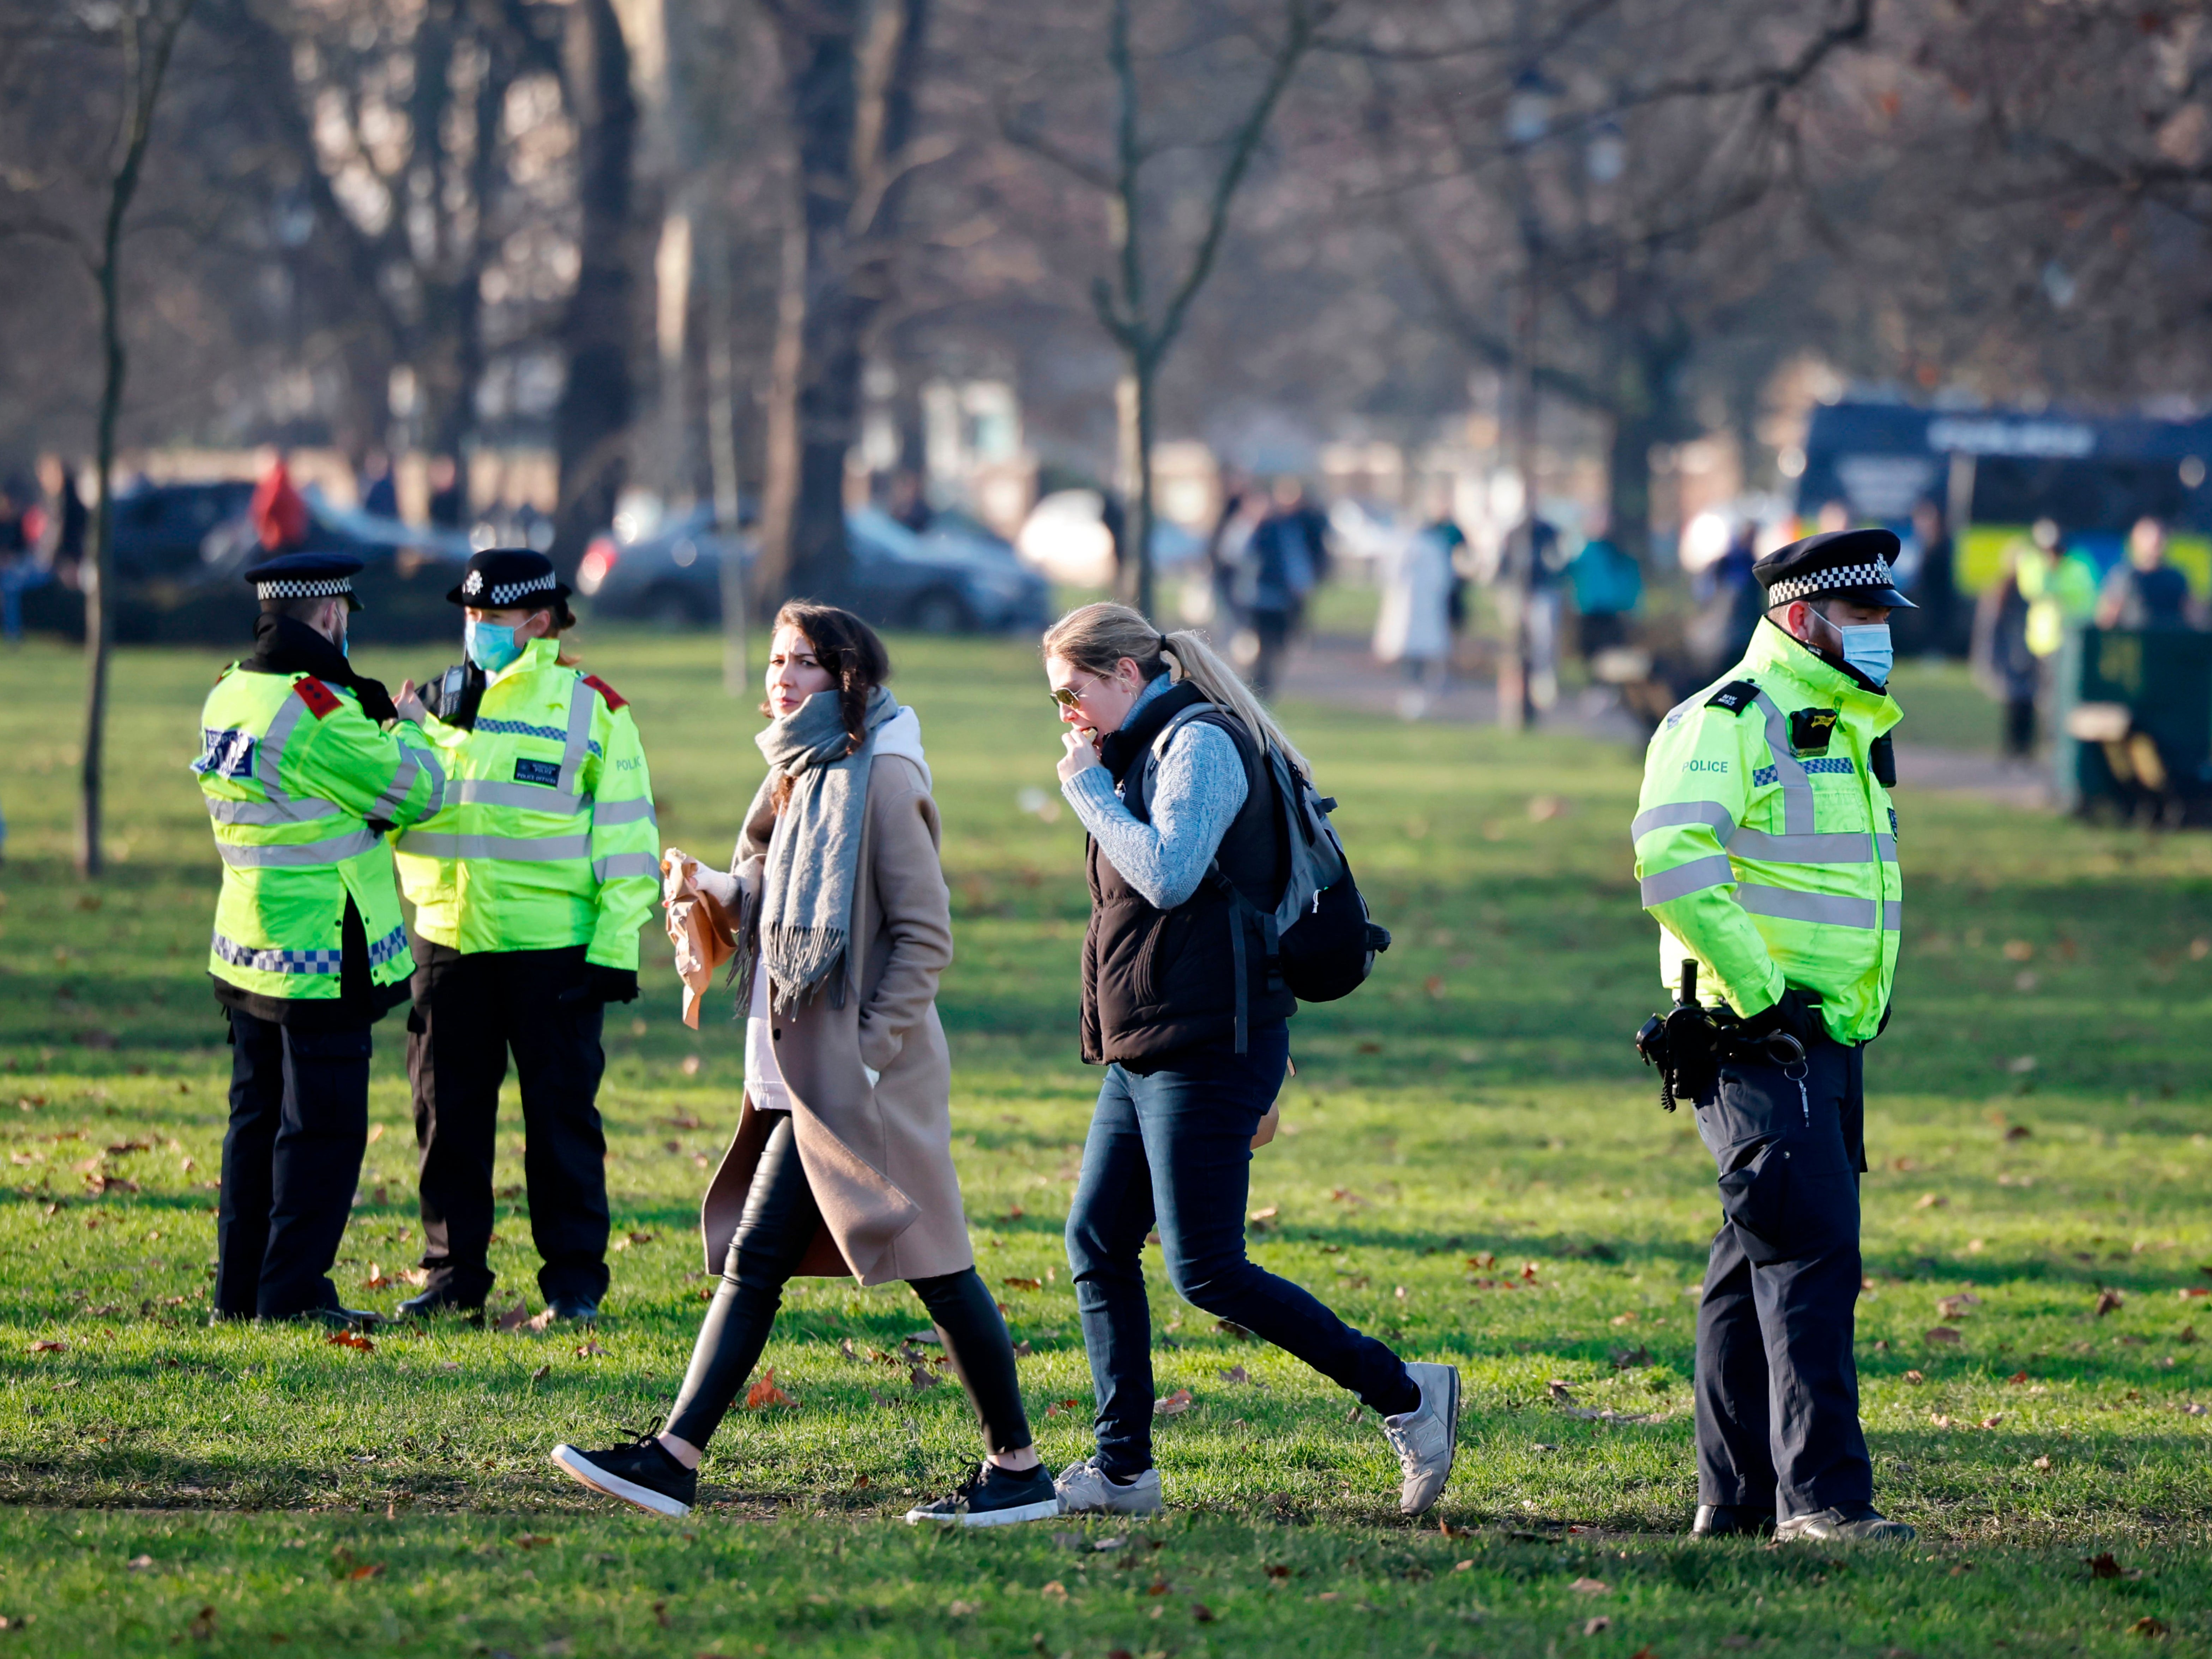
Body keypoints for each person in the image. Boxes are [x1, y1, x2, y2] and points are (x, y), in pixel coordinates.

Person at [552, 604, 1059, 1526]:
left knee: (914, 1264)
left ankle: (678, 1457)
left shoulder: (882, 774)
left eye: (807, 665)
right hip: (803, 1063)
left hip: (863, 1077)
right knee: (866, 1263)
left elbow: (923, 936)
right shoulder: (798, 770)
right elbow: (778, 899)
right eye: (779, 659)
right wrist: (717, 888)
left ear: (849, 681)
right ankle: (1012, 1467)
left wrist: (863, 1060)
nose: (783, 677)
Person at [1041, 602, 1459, 1519]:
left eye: (1073, 694)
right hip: (1146, 1041)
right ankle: (1123, 1469)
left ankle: (1408, 1394)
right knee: (1097, 1240)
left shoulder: (1198, 745)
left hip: (1211, 1043)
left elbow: (1169, 872)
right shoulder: (1136, 750)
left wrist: (1087, 792)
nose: (1066, 716)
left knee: (1207, 1269)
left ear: (1124, 675)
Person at [1630, 528, 1916, 1545]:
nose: (1881, 634)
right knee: (1806, 1257)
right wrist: (1759, 995)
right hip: (1762, 1036)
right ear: (1802, 620)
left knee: (1753, 1252)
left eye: (1885, 616)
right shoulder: (1729, 719)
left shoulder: (1840, 722)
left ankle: (1741, 1496)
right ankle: (1823, 1501)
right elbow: (1668, 856)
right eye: (1864, 616)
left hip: (1825, 1036)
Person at [387, 549, 658, 1322]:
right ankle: (451, 1278)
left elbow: (628, 837)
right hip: (448, 946)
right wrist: (403, 735)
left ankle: (573, 1285)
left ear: (538, 622)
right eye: (468, 617)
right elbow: (396, 805)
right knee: (446, 1122)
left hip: (554, 957)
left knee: (561, 1126)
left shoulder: (591, 708)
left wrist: (612, 950)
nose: (475, 631)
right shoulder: (433, 702)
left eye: (492, 619)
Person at [193, 551, 447, 1326]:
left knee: (255, 1125)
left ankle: (239, 1296)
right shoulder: (316, 709)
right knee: (322, 1134)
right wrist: (409, 729)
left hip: (247, 945)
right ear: (332, 615)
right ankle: (292, 1295)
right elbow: (418, 791)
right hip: (320, 954)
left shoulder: (229, 692)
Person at [1237, 479, 1325, 699]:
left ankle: (1263, 687)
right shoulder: (1254, 528)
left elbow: (1296, 562)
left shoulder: (1288, 528)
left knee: (1276, 646)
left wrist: (1301, 585)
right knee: (1259, 645)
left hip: (1279, 599)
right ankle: (1255, 685)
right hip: (1257, 598)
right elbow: (1235, 555)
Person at [1972, 545, 2042, 761]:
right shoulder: (2000, 594)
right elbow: (1989, 631)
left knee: (2028, 708)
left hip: (2029, 659)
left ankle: (2025, 753)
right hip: (2009, 659)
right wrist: (1991, 661)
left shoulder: (2035, 591)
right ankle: (2012, 753)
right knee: (2014, 707)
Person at [1372, 513, 1455, 693]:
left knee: (1415, 648)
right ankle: (1419, 685)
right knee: (1419, 649)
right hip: (1421, 607)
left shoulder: (1405, 547)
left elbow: (1387, 575)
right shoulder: (1433, 548)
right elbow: (1444, 579)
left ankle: (1419, 685)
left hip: (1413, 606)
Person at [2095, 516, 2193, 631]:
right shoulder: (2123, 576)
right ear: (2135, 540)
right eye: (2148, 536)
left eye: (2160, 535)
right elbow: (2107, 619)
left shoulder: (2176, 578)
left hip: (2169, 642)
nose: (2155, 540)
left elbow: (2193, 616)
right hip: (2136, 642)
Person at [1568, 510, 1643, 660]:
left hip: (1611, 610)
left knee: (1611, 650)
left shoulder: (1617, 551)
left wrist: (1631, 605)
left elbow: (1629, 578)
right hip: (1590, 609)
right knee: (1591, 650)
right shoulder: (1584, 550)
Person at [1906, 499, 1958, 657]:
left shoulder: (1942, 546)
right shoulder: (1918, 544)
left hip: (1938, 596)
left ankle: (1936, 650)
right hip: (1923, 597)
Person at [358, 451, 400, 521]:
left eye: (380, 460)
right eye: (372, 460)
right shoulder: (360, 480)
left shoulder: (388, 487)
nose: (375, 464)